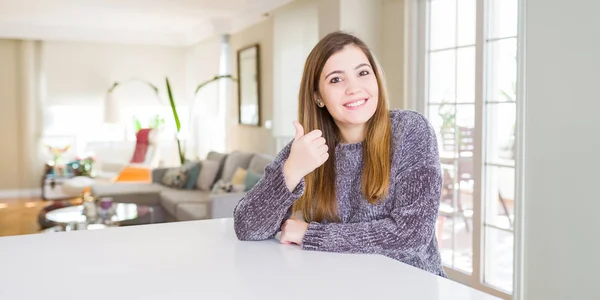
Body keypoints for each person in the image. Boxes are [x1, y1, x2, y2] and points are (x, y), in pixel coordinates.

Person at [233, 31, 446, 278]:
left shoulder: (410, 130)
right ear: (317, 96)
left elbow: (411, 236)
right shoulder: (307, 146)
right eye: (336, 80)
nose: (354, 88)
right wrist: (291, 170)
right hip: (338, 284)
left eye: (363, 73)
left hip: (411, 287)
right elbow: (247, 227)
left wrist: (311, 234)